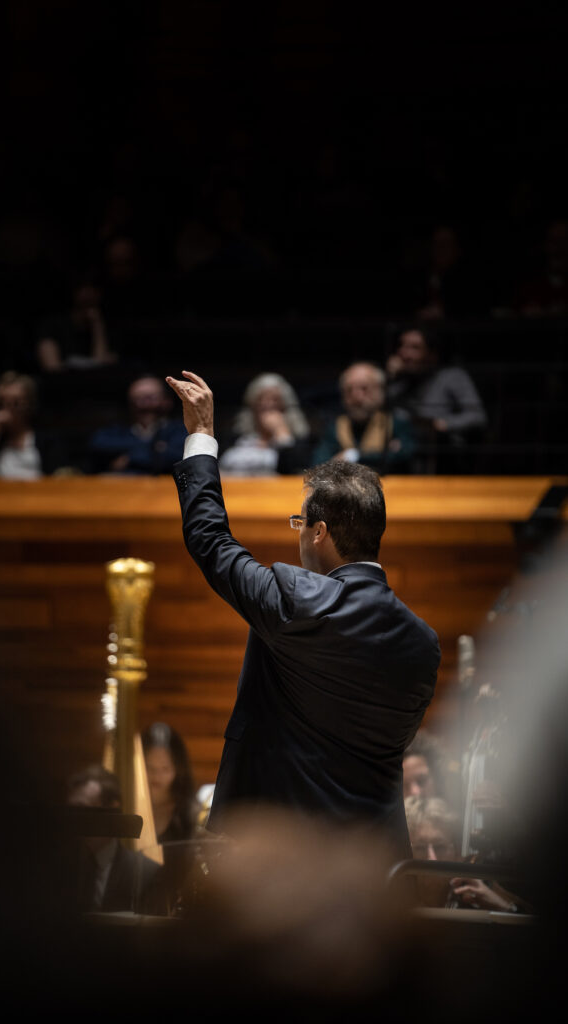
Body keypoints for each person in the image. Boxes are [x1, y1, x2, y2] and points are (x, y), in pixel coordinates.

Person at [165, 370, 441, 858]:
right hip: (374, 862)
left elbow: (209, 540)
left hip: (288, 853)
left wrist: (202, 436)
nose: (298, 534)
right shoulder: (424, 642)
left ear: (319, 533)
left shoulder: (298, 599)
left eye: (300, 523)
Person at [386, 325, 488, 472]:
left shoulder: (452, 377)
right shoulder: (398, 383)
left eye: (414, 348)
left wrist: (442, 424)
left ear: (432, 355)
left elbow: (477, 416)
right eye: (402, 346)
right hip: (405, 452)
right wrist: (389, 378)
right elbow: (379, 411)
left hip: (443, 453)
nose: (404, 354)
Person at [64, 764, 162, 915]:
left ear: (112, 811)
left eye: (83, 809)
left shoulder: (146, 873)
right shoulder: (58, 866)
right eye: (71, 810)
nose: (73, 819)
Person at [404, 796, 527, 912]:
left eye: (440, 847)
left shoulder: (477, 886)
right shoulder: (394, 893)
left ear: (456, 853)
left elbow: (536, 927)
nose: (431, 859)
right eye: (419, 848)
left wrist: (503, 908)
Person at [0, 371, 71, 478]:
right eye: (2, 403)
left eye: (16, 403)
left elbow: (58, 477)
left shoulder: (48, 443)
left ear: (30, 405)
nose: (8, 409)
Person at [312, 361, 415, 474]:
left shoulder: (397, 423)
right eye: (349, 390)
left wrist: (351, 456)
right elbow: (319, 463)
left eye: (364, 388)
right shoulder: (335, 427)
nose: (357, 397)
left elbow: (406, 455)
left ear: (380, 391)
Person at [86, 374, 186, 475]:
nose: (144, 405)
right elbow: (97, 446)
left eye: (151, 398)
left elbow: (183, 459)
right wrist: (158, 449)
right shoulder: (115, 431)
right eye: (137, 399)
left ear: (167, 401)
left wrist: (129, 458)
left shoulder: (182, 430)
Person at [218, 372, 312, 476]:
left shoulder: (298, 441)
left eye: (275, 399)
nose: (268, 404)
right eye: (261, 399)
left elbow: (296, 473)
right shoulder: (234, 436)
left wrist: (282, 435)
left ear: (285, 406)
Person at [35, 278, 118, 373]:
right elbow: (52, 368)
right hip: (63, 383)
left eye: (94, 290)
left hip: (96, 382)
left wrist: (97, 325)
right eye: (83, 289)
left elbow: (101, 363)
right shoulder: (52, 325)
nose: (88, 294)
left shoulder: (107, 326)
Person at [141, 722, 200, 844]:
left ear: (178, 769)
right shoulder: (128, 806)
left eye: (165, 769)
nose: (157, 776)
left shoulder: (190, 813)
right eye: (149, 767)